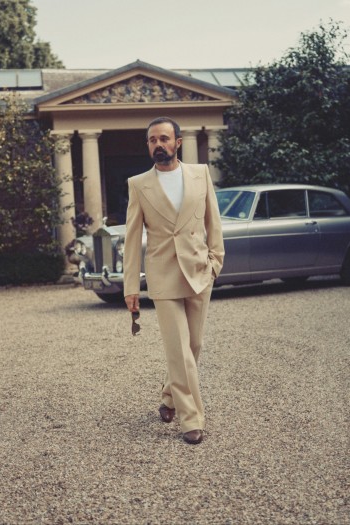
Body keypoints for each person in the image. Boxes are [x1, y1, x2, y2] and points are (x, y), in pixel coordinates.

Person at [123, 117, 225, 445]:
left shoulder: (200, 174)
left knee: (194, 346)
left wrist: (215, 263)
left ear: (178, 142)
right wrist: (130, 287)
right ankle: (190, 417)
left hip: (198, 271)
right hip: (163, 275)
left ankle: (168, 396)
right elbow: (131, 238)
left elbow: (214, 221)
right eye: (152, 140)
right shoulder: (139, 185)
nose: (158, 145)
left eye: (164, 139)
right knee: (179, 350)